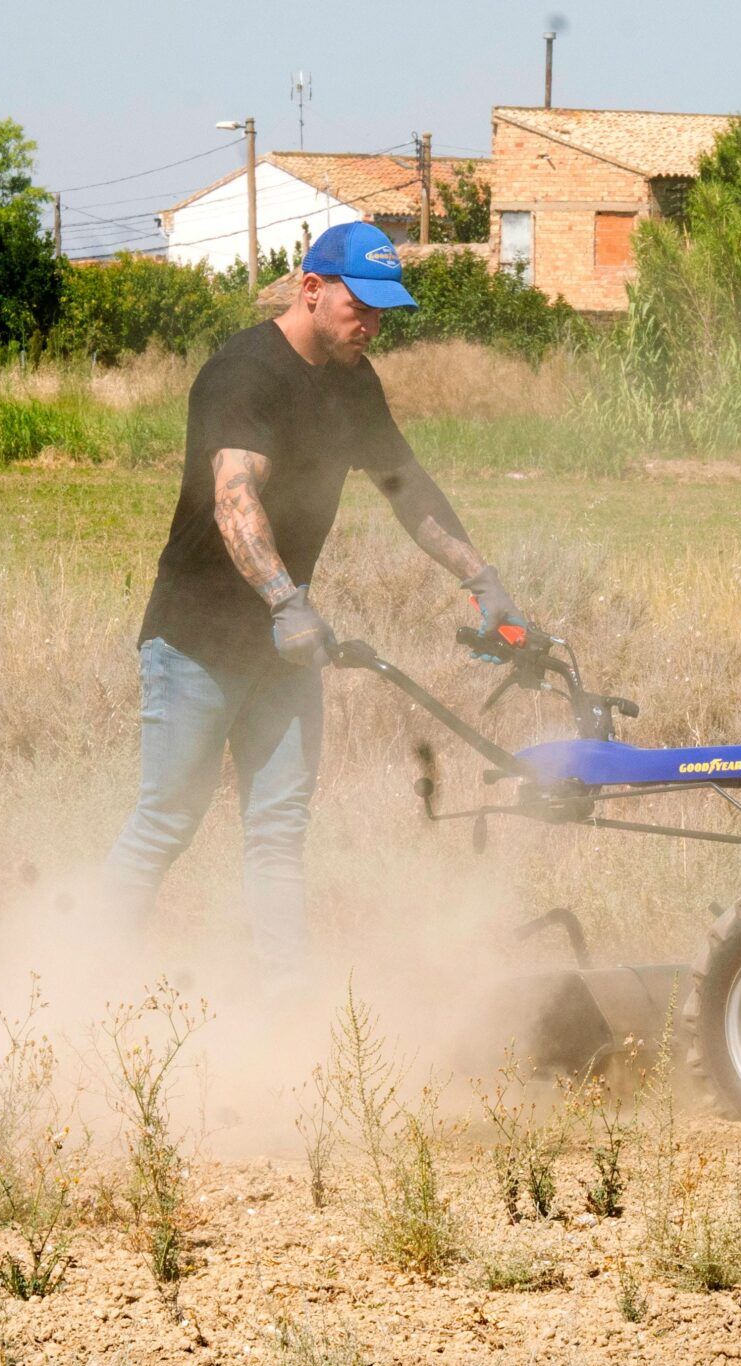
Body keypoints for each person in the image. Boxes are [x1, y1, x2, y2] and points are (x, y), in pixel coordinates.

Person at [101, 220, 529, 977]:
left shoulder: (354, 383)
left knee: (277, 831)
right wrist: (284, 601)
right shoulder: (245, 373)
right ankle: (86, 977)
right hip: (197, 639)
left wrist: (481, 579)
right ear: (310, 290)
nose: (372, 326)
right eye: (359, 307)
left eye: (382, 312)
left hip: (284, 647)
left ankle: (285, 1007)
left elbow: (407, 489)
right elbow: (235, 497)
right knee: (167, 822)